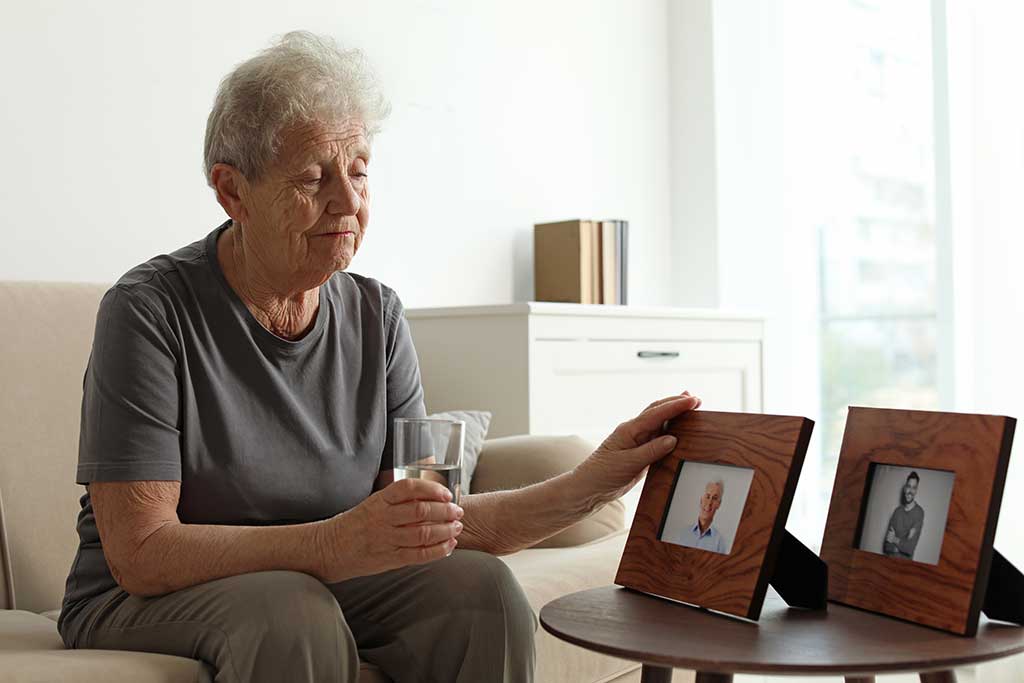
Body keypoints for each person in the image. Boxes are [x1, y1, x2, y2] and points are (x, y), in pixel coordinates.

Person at [56, 31, 703, 683]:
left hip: (311, 585)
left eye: (359, 170)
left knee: (480, 594)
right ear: (232, 192)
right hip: (140, 598)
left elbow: (435, 520)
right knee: (293, 611)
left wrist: (596, 479)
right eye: (314, 177)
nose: (348, 202)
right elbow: (141, 552)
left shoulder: (378, 316)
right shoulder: (149, 311)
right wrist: (335, 543)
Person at [668, 479, 727, 554]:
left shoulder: (720, 543)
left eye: (714, 498)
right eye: (707, 496)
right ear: (701, 500)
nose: (709, 503)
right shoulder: (682, 534)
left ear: (719, 504)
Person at [883, 471, 925, 560]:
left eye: (914, 488)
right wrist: (901, 544)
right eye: (908, 486)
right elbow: (887, 546)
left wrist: (894, 539)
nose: (910, 491)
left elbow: (909, 548)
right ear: (905, 488)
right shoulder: (897, 512)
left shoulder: (919, 513)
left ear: (916, 490)